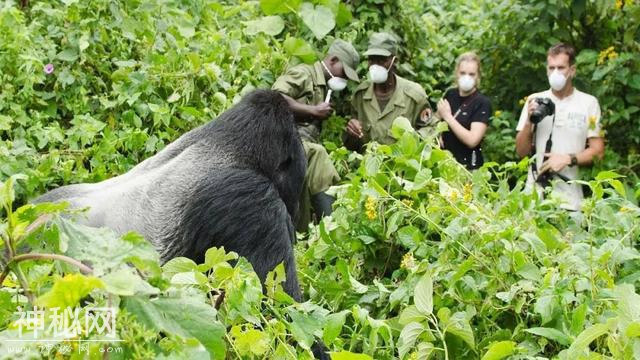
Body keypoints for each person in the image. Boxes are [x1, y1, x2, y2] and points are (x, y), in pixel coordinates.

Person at [272, 39, 360, 230]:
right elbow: (274, 98)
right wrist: (312, 111)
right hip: (282, 141)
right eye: (344, 73)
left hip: (299, 149)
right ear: (333, 60)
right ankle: (333, 229)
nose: (344, 79)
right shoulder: (304, 73)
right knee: (318, 155)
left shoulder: (323, 87)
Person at [515, 43, 605, 211]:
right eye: (551, 68)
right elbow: (521, 152)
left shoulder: (588, 103)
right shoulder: (535, 100)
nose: (555, 73)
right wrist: (529, 121)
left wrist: (567, 159)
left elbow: (598, 152)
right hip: (534, 198)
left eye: (561, 68)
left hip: (570, 200)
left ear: (572, 70)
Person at [345, 32, 430, 151]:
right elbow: (352, 145)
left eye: (381, 60)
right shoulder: (360, 95)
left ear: (394, 61)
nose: (375, 65)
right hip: (368, 166)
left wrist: (413, 142)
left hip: (402, 166)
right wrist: (351, 132)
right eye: (371, 60)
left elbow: (431, 128)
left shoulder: (414, 95)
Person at [436, 52, 492, 170]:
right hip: (445, 164)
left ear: (478, 76)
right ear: (457, 73)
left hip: (468, 168)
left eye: (471, 74)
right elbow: (438, 121)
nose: (466, 77)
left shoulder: (482, 103)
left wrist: (448, 117)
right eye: (463, 73)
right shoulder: (450, 94)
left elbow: (472, 140)